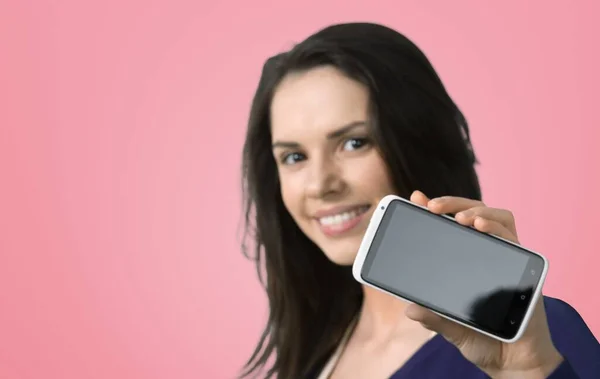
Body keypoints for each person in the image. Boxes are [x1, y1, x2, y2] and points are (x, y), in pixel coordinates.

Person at [238, 22, 599, 379]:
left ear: (418, 141)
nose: (319, 184)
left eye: (354, 143)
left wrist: (529, 370)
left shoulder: (543, 338)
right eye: (294, 157)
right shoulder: (316, 351)